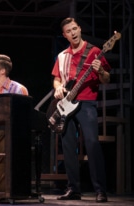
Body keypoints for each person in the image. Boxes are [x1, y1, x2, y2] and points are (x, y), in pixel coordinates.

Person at [51, 17, 111, 203]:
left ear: (79, 29)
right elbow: (56, 79)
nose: (73, 33)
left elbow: (106, 79)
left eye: (75, 28)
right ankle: (73, 188)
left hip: (86, 103)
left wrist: (100, 71)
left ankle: (100, 190)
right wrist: (58, 87)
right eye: (69, 31)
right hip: (66, 104)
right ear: (65, 35)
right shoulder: (62, 56)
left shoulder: (94, 51)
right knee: (68, 147)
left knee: (92, 144)